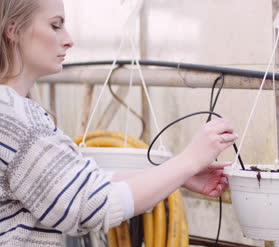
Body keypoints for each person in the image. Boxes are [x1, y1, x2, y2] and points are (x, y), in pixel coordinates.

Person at [0, 0, 237, 246]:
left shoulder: (10, 110)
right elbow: (88, 204)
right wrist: (188, 161)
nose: (69, 39)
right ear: (14, 30)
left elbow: (78, 182)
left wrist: (177, 173)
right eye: (55, 25)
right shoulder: (15, 117)